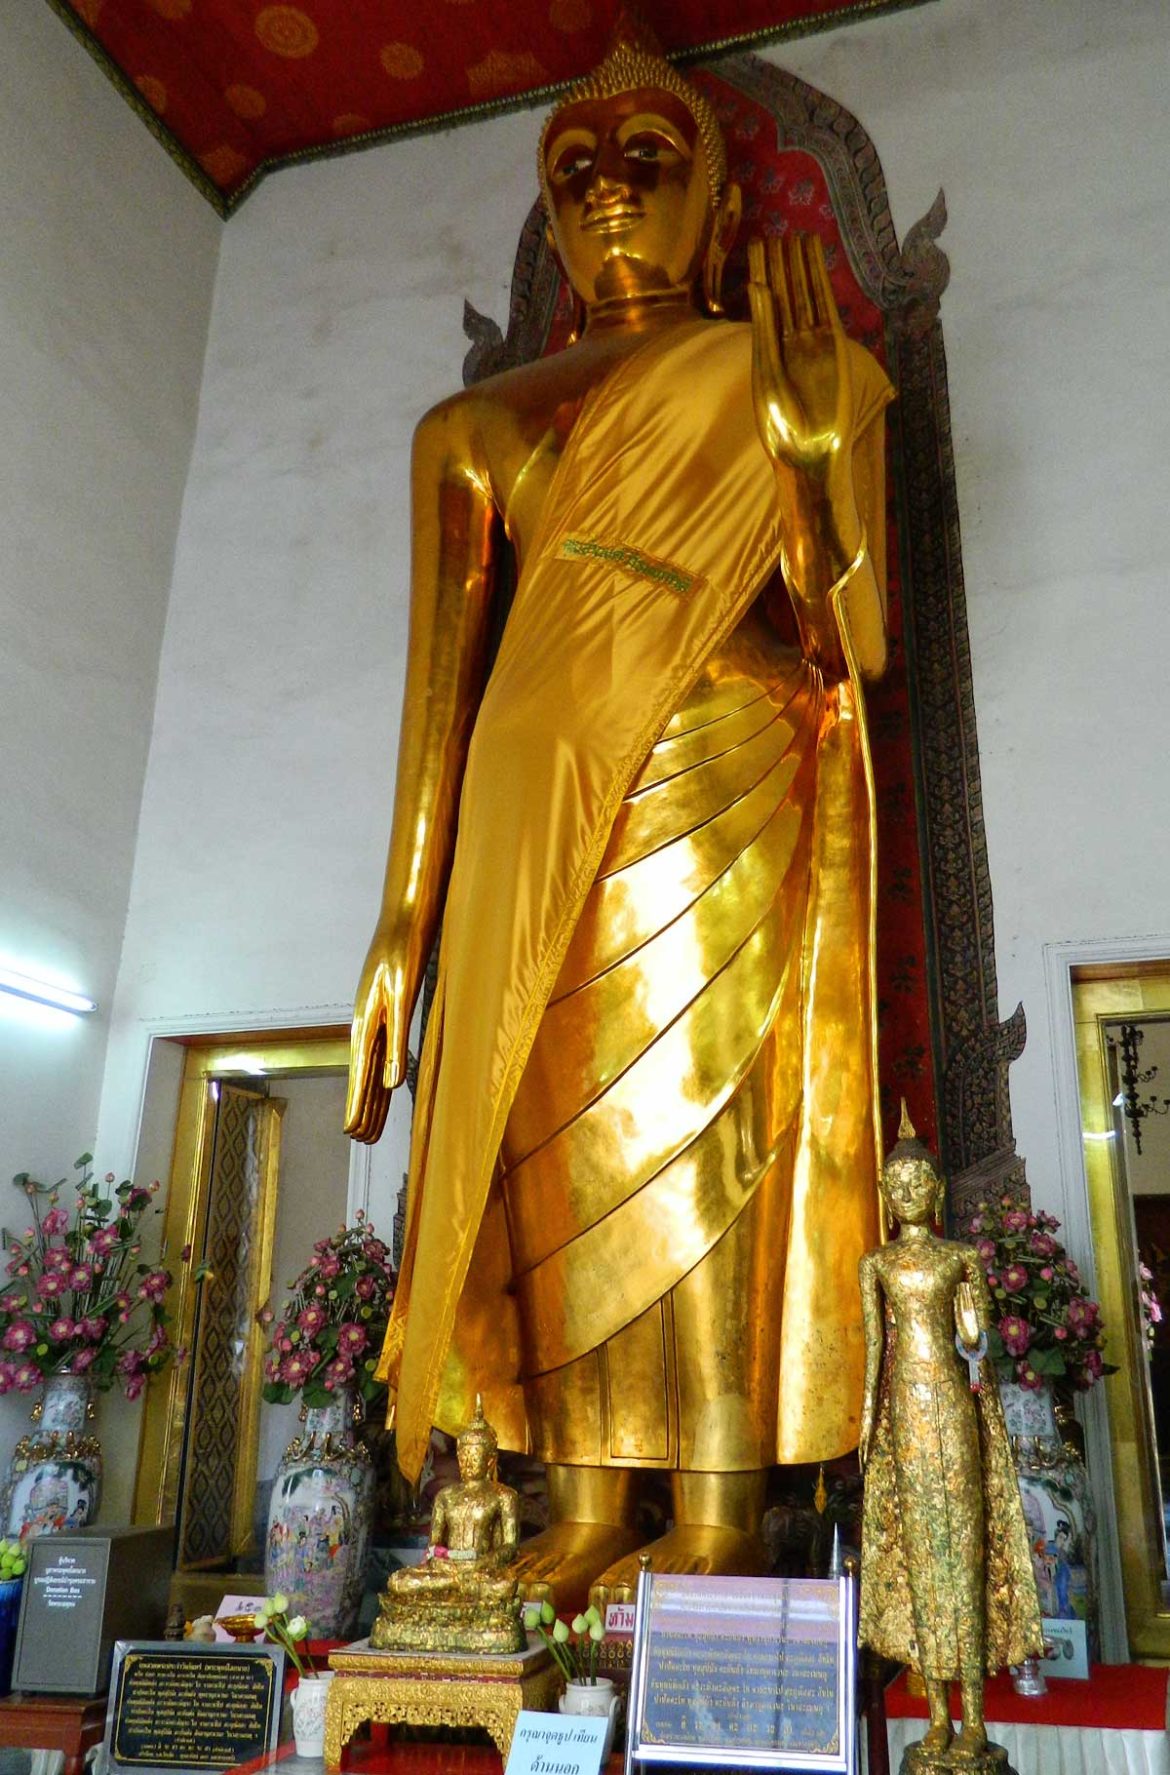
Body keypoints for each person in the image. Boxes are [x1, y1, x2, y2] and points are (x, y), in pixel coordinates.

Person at [346, 12, 892, 1608]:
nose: (604, 190)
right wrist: (402, 913)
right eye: (572, 166)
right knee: (544, 1149)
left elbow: (859, 647)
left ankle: (715, 1505)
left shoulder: (811, 373)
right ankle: (581, 1499)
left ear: (718, 207)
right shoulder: (474, 428)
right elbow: (435, 697)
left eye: (645, 161)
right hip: (529, 814)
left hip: (729, 778)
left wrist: (801, 451)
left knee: (711, 1136)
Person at [858, 1112, 1042, 1763]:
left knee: (962, 1557)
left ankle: (975, 1718)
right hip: (904, 1418)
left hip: (954, 1417)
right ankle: (936, 1716)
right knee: (923, 1562)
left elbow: (977, 1349)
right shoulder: (874, 1263)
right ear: (885, 1192)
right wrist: (866, 1420)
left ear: (936, 1191)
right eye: (896, 1182)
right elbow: (876, 1348)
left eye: (918, 1180)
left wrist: (972, 1330)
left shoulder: (960, 1257)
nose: (907, 1191)